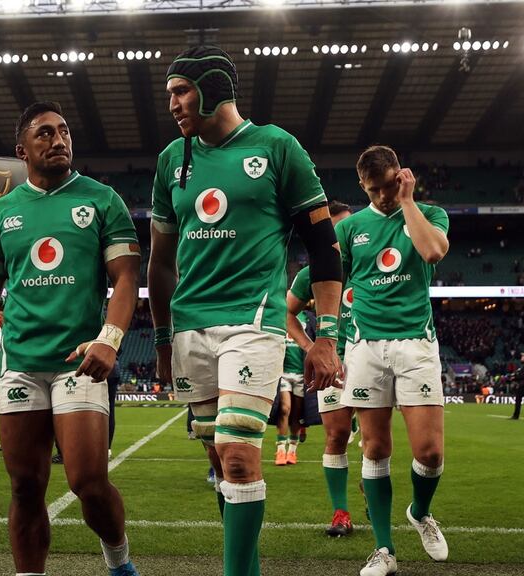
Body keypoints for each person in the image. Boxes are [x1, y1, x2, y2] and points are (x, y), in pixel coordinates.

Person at [149, 46, 342, 576]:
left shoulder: (278, 147)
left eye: (181, 92)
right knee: (218, 461)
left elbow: (324, 248)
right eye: (169, 94)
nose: (172, 104)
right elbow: (160, 265)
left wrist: (326, 335)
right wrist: (163, 341)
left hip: (254, 320)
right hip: (190, 325)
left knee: (238, 455)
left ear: (212, 88)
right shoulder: (171, 160)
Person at [0, 101, 142, 576]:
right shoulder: (4, 212)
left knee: (87, 482)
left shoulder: (102, 199)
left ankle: (119, 563)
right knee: (24, 486)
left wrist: (110, 338)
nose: (58, 141)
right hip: (19, 364)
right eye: (45, 134)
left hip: (78, 361)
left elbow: (125, 278)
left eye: (63, 132)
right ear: (22, 151)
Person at [336, 145, 450, 576]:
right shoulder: (351, 229)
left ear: (401, 177)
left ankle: (420, 512)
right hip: (365, 346)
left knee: (430, 452)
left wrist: (406, 202)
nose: (382, 196)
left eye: (388, 186)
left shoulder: (429, 214)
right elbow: (332, 281)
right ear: (362, 186)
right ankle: (384, 551)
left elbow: (434, 253)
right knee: (375, 447)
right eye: (374, 189)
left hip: (416, 343)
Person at [285, 199, 356, 536]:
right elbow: (287, 313)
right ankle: (341, 512)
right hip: (333, 363)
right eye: (337, 228)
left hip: (370, 356)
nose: (344, 235)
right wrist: (310, 346)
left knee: (375, 441)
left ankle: (373, 490)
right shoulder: (310, 272)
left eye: (349, 227)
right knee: (337, 435)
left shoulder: (369, 263)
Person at [274, 312, 307, 466]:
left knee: (297, 414)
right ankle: (280, 449)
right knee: (285, 408)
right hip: (284, 373)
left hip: (302, 374)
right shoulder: (280, 315)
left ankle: (292, 450)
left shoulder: (307, 318)